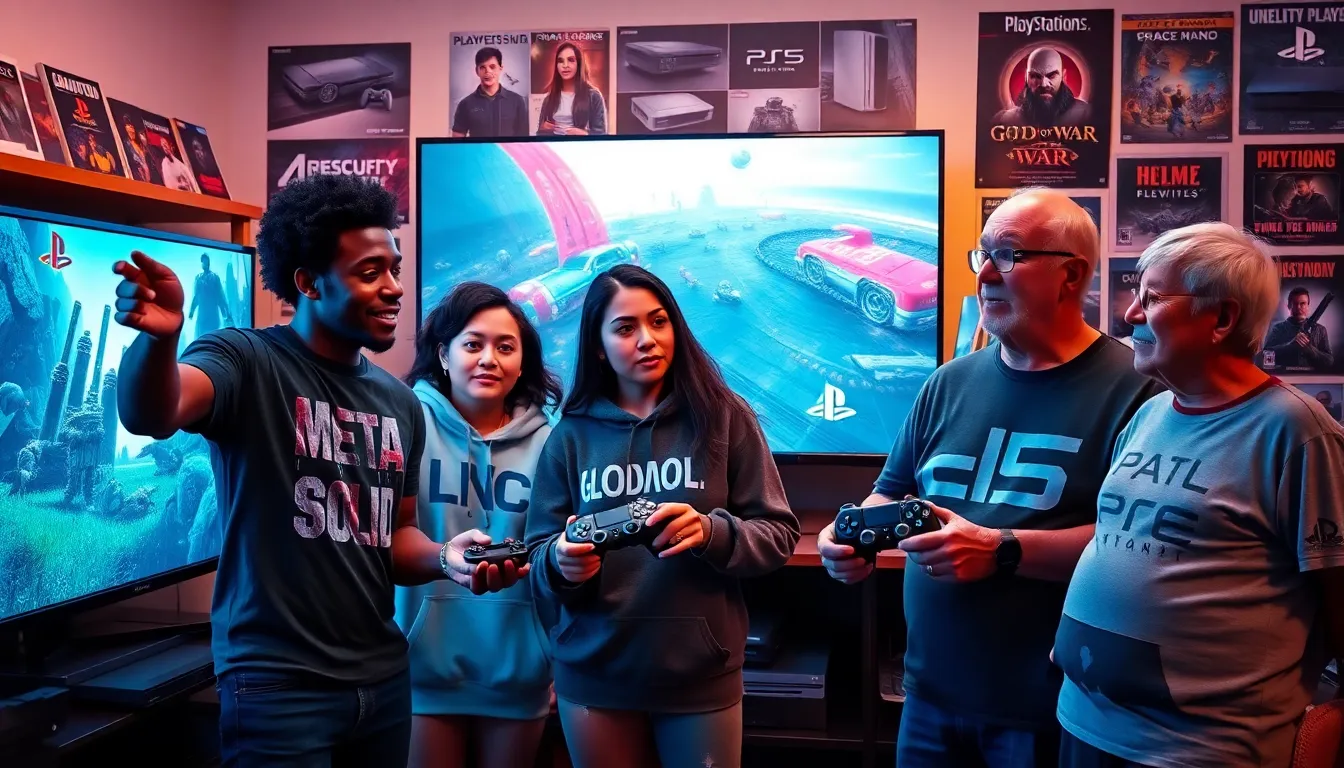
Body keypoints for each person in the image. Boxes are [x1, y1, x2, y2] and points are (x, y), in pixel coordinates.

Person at [113, 173, 521, 768]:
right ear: (308, 282)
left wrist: (445, 558)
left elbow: (393, 537)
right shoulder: (245, 360)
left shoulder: (399, 402)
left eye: (396, 270)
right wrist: (160, 342)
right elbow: (153, 413)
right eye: (369, 273)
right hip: (277, 687)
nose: (394, 290)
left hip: (381, 679)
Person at [817, 188, 1162, 768]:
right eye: (982, 256)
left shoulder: (1139, 392)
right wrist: (847, 538)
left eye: (1008, 255)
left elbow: (1137, 547)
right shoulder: (947, 383)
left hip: (1051, 711)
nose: (984, 277)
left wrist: (1002, 550)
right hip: (926, 699)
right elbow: (891, 492)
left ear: (1071, 275)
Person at [1054, 222, 1344, 768]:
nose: (1130, 316)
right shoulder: (1149, 413)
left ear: (1223, 318)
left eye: (1153, 299)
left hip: (1197, 752)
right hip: (1084, 726)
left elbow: (1336, 586)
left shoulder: (1297, 431)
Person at [524, 264, 799, 768]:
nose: (647, 339)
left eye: (658, 321)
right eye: (625, 328)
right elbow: (538, 552)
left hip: (699, 674)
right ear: (599, 346)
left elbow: (779, 535)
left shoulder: (725, 416)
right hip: (593, 674)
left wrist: (711, 531)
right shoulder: (571, 435)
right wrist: (561, 565)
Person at [397, 281, 563, 768]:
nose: (489, 358)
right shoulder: (405, 424)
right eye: (473, 344)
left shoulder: (552, 442)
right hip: (420, 671)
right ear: (443, 355)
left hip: (520, 671)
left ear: (522, 362)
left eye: (505, 347)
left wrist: (555, 657)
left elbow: (560, 560)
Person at [452, 47, 530, 138]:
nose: (487, 71)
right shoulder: (465, 104)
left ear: (500, 68)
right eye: (482, 67)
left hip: (506, 153)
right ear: (477, 71)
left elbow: (524, 140)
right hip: (477, 153)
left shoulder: (517, 101)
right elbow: (457, 140)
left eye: (492, 67)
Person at [536, 42, 606, 137]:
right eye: (560, 61)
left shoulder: (594, 96)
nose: (565, 65)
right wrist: (544, 129)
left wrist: (583, 134)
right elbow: (539, 134)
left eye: (571, 60)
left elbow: (601, 134)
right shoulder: (548, 99)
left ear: (579, 64)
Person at [1263, 287, 1334, 371]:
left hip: (1314, 379)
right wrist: (1290, 346)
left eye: (1303, 303)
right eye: (1295, 303)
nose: (1299, 307)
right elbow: (1266, 354)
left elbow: (1329, 361)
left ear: (1308, 306)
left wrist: (1311, 350)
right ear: (1289, 306)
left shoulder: (1320, 330)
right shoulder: (1278, 329)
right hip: (1285, 379)